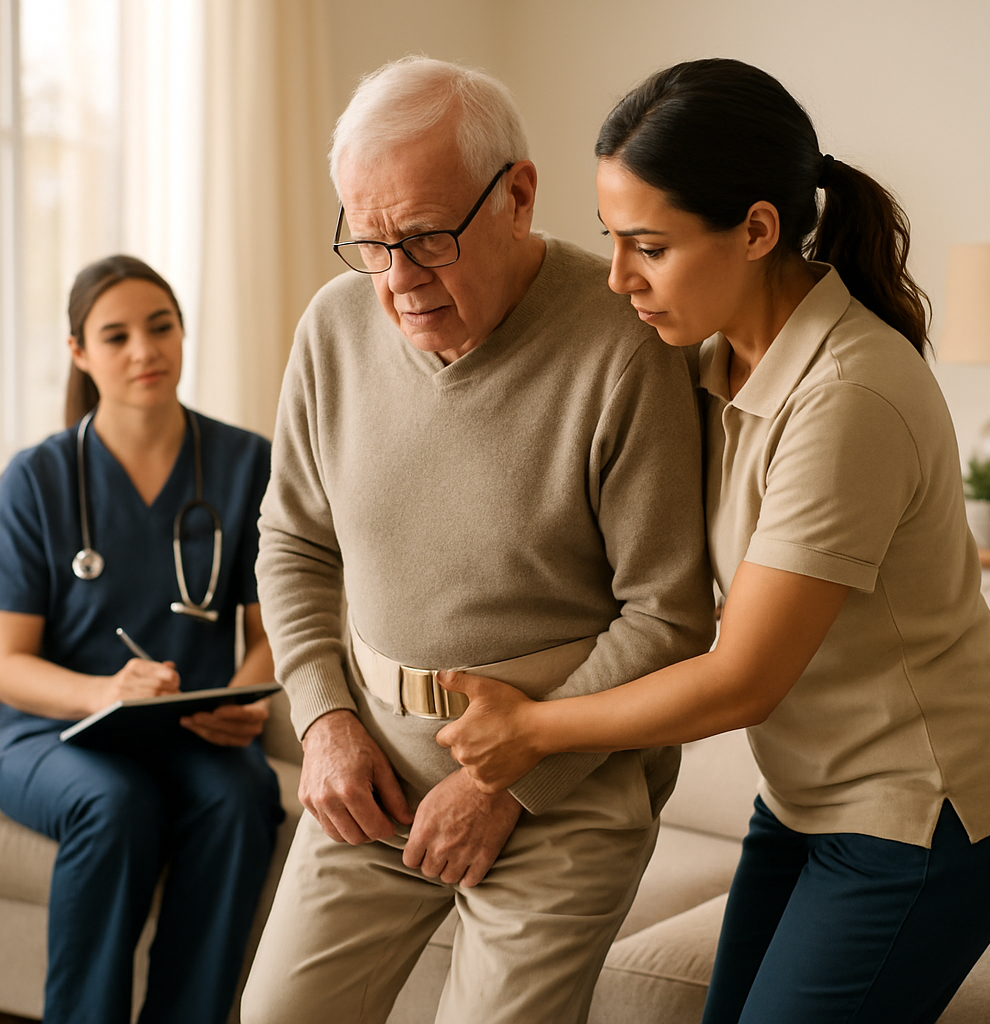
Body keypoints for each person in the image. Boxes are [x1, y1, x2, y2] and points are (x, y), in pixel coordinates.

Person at [436, 58, 990, 1024]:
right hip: (802, 800)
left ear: (756, 231)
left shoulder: (848, 397)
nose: (620, 278)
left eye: (649, 248)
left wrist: (533, 730)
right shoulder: (708, 360)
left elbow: (744, 676)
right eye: (610, 243)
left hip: (923, 815)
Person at [242, 56, 714, 1024]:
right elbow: (292, 539)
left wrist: (507, 780)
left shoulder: (625, 344)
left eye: (425, 237)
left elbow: (667, 613)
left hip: (559, 793)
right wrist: (326, 723)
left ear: (518, 195)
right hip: (368, 770)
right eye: (369, 243)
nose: (398, 281)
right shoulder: (333, 327)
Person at [0, 255, 285, 1024]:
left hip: (188, 726)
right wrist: (105, 693)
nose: (143, 350)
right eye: (116, 335)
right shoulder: (37, 480)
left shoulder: (246, 464)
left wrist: (246, 700)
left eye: (160, 327)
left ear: (184, 332)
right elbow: (8, 665)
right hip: (49, 733)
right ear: (79, 354)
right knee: (112, 801)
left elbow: (270, 633)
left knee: (245, 796)